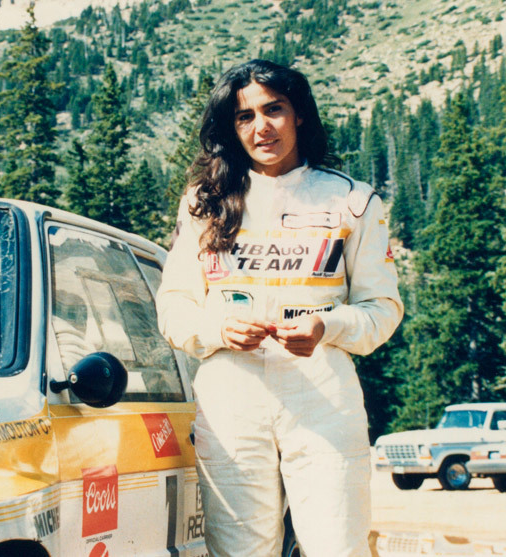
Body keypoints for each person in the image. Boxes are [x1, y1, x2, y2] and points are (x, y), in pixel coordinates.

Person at [156, 59, 403, 556]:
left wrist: (326, 325)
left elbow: (383, 309)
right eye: (244, 116)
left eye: (275, 110)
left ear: (300, 115)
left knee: (337, 547)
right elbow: (174, 307)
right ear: (231, 126)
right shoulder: (204, 202)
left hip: (323, 400)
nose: (261, 127)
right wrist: (220, 329)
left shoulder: (351, 200)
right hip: (230, 403)